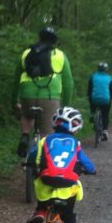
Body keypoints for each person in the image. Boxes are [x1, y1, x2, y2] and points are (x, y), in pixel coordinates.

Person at [25, 107, 96, 223]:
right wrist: (91, 170)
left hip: (47, 182)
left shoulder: (45, 140)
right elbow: (88, 164)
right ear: (76, 127)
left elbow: (31, 156)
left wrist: (29, 164)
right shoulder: (75, 144)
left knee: (41, 183)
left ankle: (41, 211)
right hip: (67, 186)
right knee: (69, 217)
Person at [12, 27, 74, 157]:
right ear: (55, 41)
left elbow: (15, 80)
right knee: (47, 134)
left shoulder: (26, 53)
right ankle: (44, 161)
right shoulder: (60, 56)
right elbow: (68, 84)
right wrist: (65, 106)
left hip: (27, 95)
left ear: (39, 37)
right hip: (50, 98)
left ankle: (24, 135)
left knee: (26, 114)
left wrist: (13, 102)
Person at [87, 62, 112, 141]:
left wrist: (88, 96)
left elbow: (90, 89)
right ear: (106, 69)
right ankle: (105, 131)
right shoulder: (109, 78)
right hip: (106, 100)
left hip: (94, 99)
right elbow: (111, 90)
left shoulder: (93, 76)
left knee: (91, 101)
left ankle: (93, 114)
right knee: (105, 114)